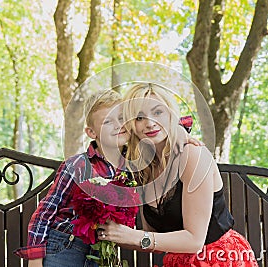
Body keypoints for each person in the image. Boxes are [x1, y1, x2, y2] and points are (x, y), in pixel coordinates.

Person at [13, 89, 198, 267]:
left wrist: (180, 131)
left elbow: (166, 123)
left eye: (122, 118)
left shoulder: (136, 163)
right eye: (108, 122)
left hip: (103, 251)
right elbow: (45, 213)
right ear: (92, 133)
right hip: (64, 245)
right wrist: (35, 260)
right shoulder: (78, 166)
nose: (118, 125)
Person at [97, 83, 258, 266]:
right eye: (139, 117)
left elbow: (195, 241)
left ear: (172, 115)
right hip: (176, 261)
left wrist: (133, 235)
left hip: (217, 258)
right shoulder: (143, 169)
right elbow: (155, 241)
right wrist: (115, 234)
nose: (150, 123)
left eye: (158, 112)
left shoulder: (192, 155)